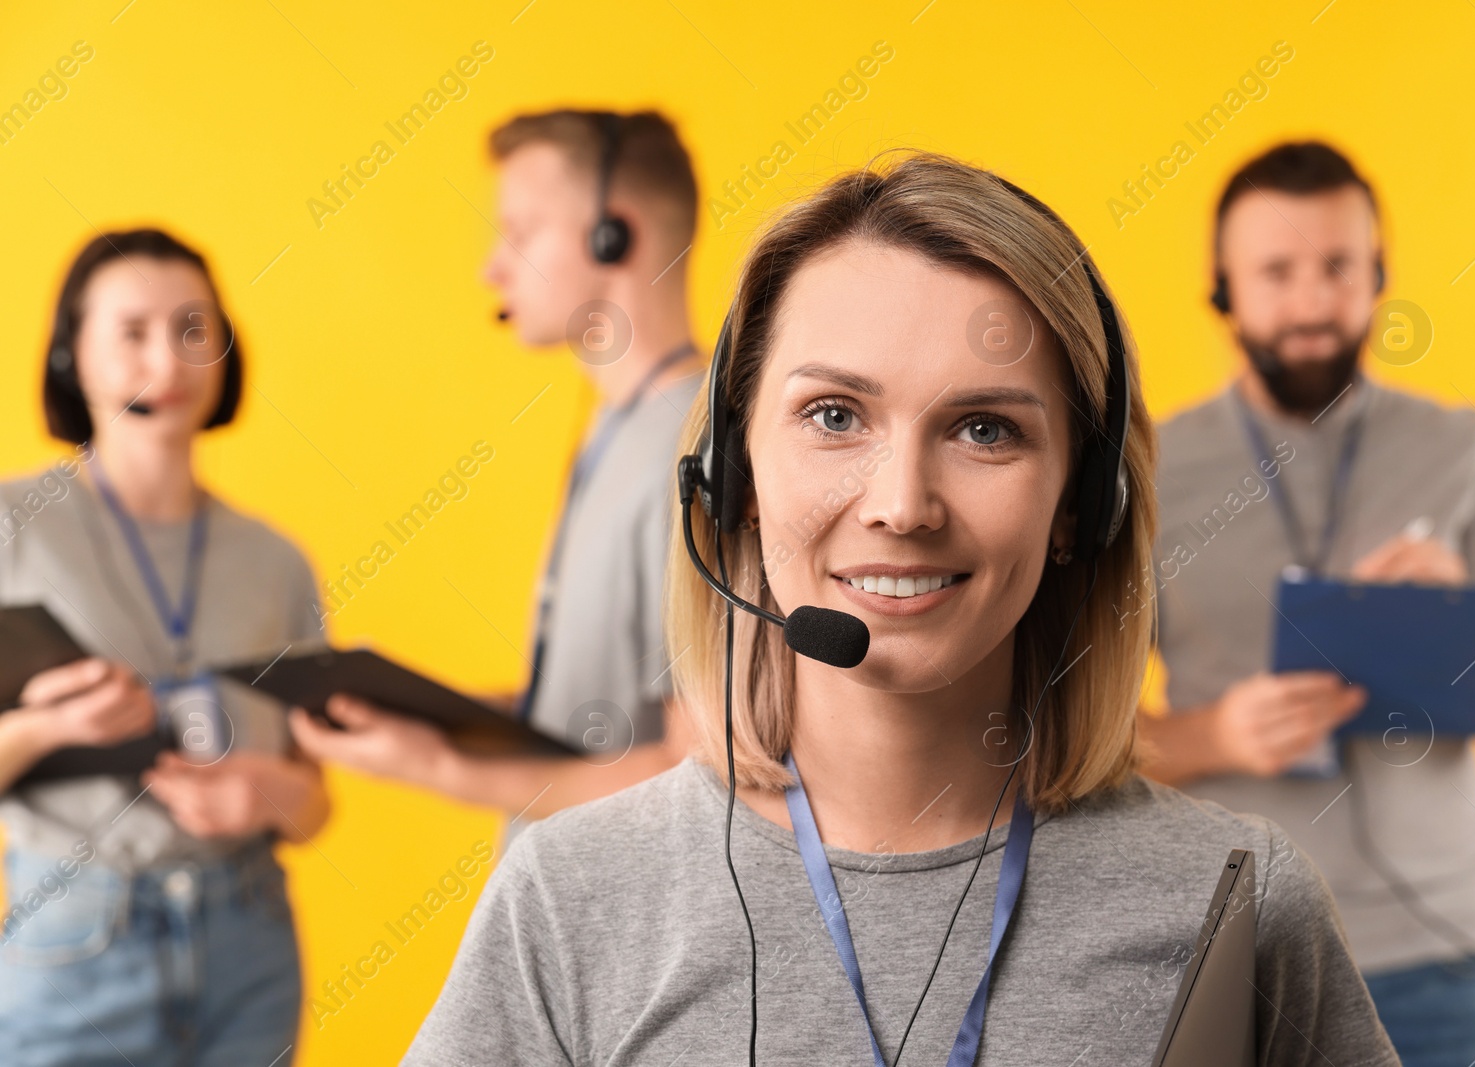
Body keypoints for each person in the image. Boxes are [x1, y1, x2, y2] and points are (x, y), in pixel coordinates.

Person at [399, 152, 1399, 1065]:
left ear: (1081, 505)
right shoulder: (572, 898)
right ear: (730, 476)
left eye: (983, 428)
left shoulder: (1241, 899)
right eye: (834, 416)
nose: (901, 504)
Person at [1137, 142, 1475, 1065]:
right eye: (1276, 271)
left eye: (1337, 267)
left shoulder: (1468, 451)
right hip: (1236, 957)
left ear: (1378, 277)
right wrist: (1216, 735)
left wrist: (1467, 613)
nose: (1309, 303)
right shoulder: (1152, 472)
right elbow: (1071, 737)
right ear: (1223, 289)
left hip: (1442, 962)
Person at [290, 110, 703, 821]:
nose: (492, 266)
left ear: (615, 234)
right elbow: (596, 720)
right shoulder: (616, 426)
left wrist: (441, 766)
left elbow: (695, 767)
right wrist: (446, 720)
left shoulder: (694, 448)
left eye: (520, 233)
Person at [0, 229, 330, 1066]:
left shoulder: (275, 559)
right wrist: (49, 730)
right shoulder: (13, 531)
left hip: (249, 937)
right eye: (133, 330)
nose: (169, 359)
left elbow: (316, 804)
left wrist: (268, 791)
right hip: (77, 934)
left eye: (193, 328)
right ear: (73, 353)